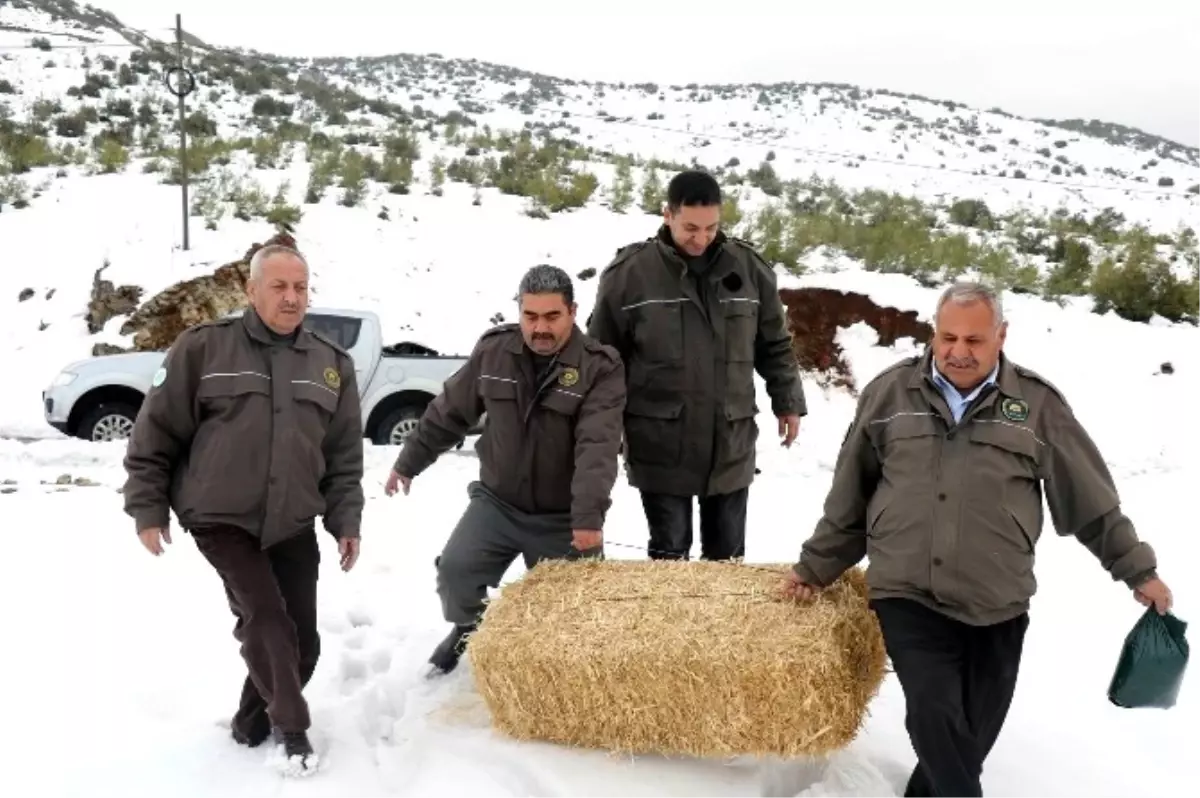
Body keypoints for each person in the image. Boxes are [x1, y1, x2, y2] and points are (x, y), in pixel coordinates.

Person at [782, 280, 1174, 798]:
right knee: (933, 713)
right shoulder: (890, 394)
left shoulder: (1036, 407)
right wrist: (815, 567)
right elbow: (849, 495)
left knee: (965, 741)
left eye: (973, 341)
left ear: (1001, 337)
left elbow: (1092, 502)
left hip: (998, 602)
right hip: (907, 591)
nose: (957, 352)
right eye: (947, 338)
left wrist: (1137, 570)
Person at [121, 243, 365, 771]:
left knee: (304, 645)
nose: (291, 297)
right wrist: (148, 507)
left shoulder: (330, 364)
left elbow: (343, 456)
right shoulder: (203, 349)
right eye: (278, 286)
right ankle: (292, 732)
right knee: (266, 619)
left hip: (293, 519)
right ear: (251, 291)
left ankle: (249, 724)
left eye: (300, 287)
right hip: (220, 515)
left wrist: (345, 521)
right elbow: (155, 432)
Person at [385, 264, 626, 676]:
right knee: (455, 577)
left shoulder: (599, 368)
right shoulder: (494, 352)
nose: (540, 328)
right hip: (497, 504)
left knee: (576, 620)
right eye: (530, 316)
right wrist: (409, 461)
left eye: (552, 316)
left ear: (572, 312)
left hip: (562, 516)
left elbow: (597, 447)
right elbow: (449, 411)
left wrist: (587, 519)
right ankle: (469, 626)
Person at [586, 169, 806, 562]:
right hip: (660, 440)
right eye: (690, 227)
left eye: (711, 227)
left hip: (730, 440)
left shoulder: (750, 268)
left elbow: (774, 343)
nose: (701, 238)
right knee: (670, 556)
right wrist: (600, 423)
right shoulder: (630, 275)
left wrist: (787, 400)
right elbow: (603, 359)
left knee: (727, 558)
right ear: (667, 214)